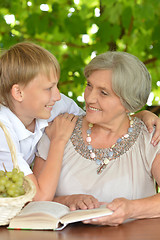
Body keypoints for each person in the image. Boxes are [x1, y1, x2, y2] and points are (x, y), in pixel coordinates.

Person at [34, 51, 160, 226]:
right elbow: (31, 202)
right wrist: (67, 201)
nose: (90, 98)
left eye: (104, 93)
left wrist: (130, 209)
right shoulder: (59, 130)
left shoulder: (150, 137)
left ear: (128, 102)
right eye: (89, 85)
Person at [0, 42, 82, 200]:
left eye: (56, 86)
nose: (57, 96)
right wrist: (58, 140)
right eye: (49, 88)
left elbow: (96, 120)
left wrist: (139, 117)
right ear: (18, 92)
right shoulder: (2, 131)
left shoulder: (52, 105)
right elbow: (39, 197)